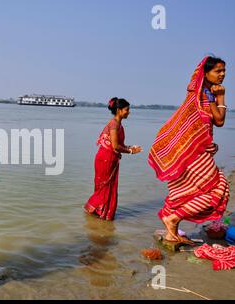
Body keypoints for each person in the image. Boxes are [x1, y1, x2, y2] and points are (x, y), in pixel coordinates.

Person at [148, 56, 229, 244]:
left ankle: (171, 233)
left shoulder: (202, 93)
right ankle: (173, 219)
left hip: (191, 151)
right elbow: (220, 120)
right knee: (217, 189)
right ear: (206, 73)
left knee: (182, 192)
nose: (222, 74)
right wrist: (221, 96)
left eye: (224, 71)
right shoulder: (204, 95)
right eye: (218, 71)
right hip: (196, 152)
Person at [84, 98, 142, 221]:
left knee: (106, 187)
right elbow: (115, 146)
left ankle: (100, 213)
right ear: (119, 110)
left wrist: (130, 147)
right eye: (127, 110)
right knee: (104, 187)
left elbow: (118, 145)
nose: (128, 112)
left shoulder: (118, 125)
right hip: (105, 159)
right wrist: (131, 151)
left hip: (109, 158)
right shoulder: (114, 124)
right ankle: (93, 209)